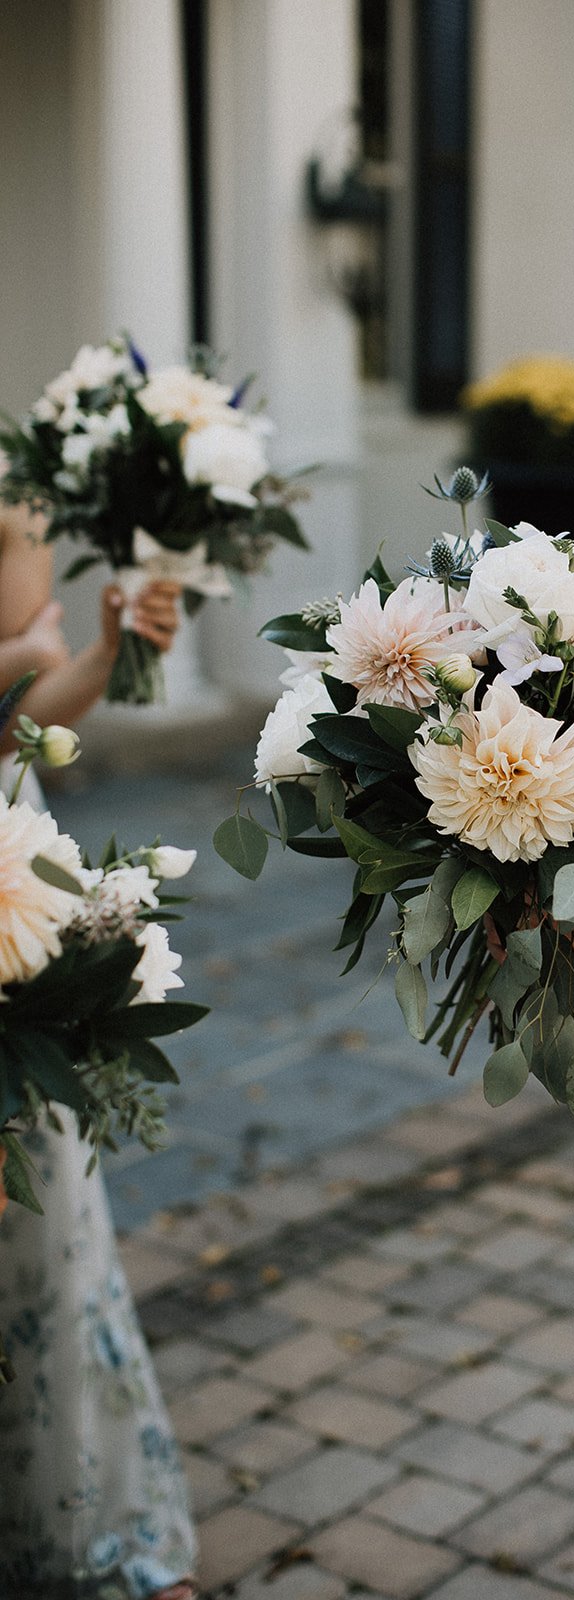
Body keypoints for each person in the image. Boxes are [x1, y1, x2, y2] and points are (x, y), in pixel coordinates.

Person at [0, 503, 199, 1600]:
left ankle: (80, 1523)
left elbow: (13, 715)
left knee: (48, 1251)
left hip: (16, 914)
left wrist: (90, 656)